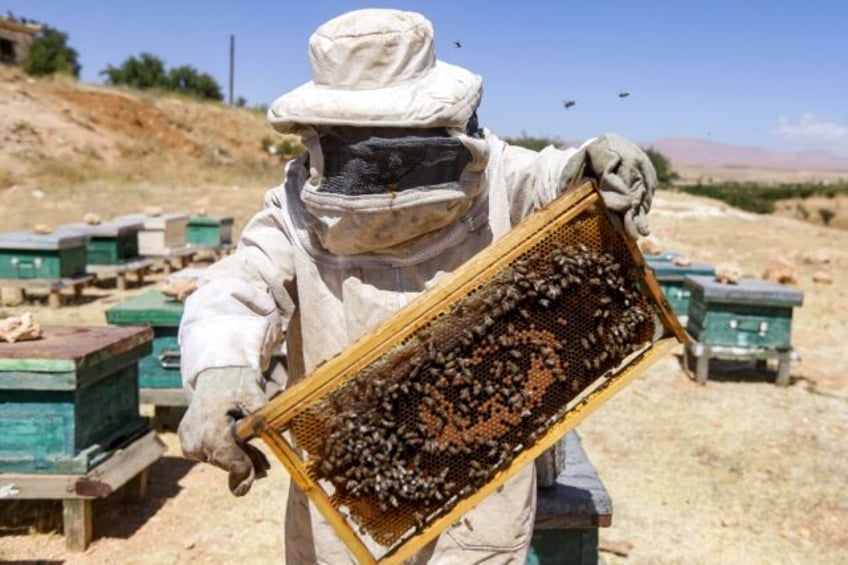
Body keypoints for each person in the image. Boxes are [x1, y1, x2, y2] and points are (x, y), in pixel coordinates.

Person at [177, 8, 656, 564]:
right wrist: (219, 370)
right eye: (365, 140)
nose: (385, 162)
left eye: (399, 138)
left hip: (481, 483)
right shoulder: (295, 206)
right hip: (351, 492)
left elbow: (554, 178)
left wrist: (595, 166)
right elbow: (238, 286)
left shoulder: (498, 177)